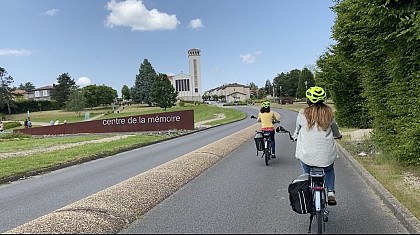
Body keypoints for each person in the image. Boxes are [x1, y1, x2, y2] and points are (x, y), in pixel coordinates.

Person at [292, 86, 342, 206]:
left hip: (307, 155)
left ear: (308, 100)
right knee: (329, 169)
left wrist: (295, 136)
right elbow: (335, 130)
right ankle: (330, 192)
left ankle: (309, 191)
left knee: (306, 171)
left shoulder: (302, 113)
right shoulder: (329, 113)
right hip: (326, 155)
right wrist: (338, 136)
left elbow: (297, 130)